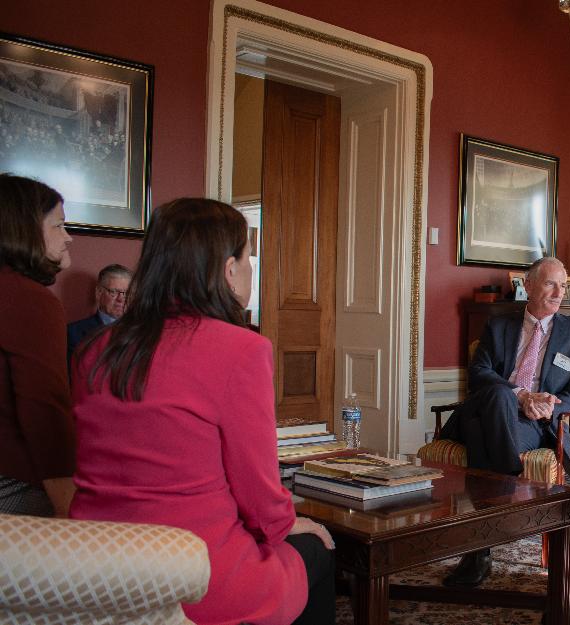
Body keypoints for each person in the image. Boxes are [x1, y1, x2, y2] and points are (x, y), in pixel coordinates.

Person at [69, 198, 335, 625]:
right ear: (229, 270)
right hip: (193, 573)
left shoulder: (96, 350)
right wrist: (288, 524)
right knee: (317, 550)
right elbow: (257, 487)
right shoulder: (242, 349)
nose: (251, 269)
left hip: (98, 567)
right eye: (249, 257)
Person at [439, 256, 570, 587]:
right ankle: (508, 490)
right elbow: (478, 375)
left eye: (562, 286)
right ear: (529, 285)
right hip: (497, 408)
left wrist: (550, 405)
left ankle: (480, 549)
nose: (558, 293)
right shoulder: (498, 325)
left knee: (482, 428)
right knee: (498, 396)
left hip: (533, 425)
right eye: (551, 283)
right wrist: (520, 395)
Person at [0, 173, 76, 517]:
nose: (68, 238)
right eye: (58, 226)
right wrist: (67, 506)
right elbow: (45, 411)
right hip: (11, 483)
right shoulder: (29, 300)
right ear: (25, 229)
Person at [66, 263, 132, 365]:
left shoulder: (142, 331)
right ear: (98, 293)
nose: (121, 299)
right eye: (114, 292)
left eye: (126, 293)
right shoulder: (73, 333)